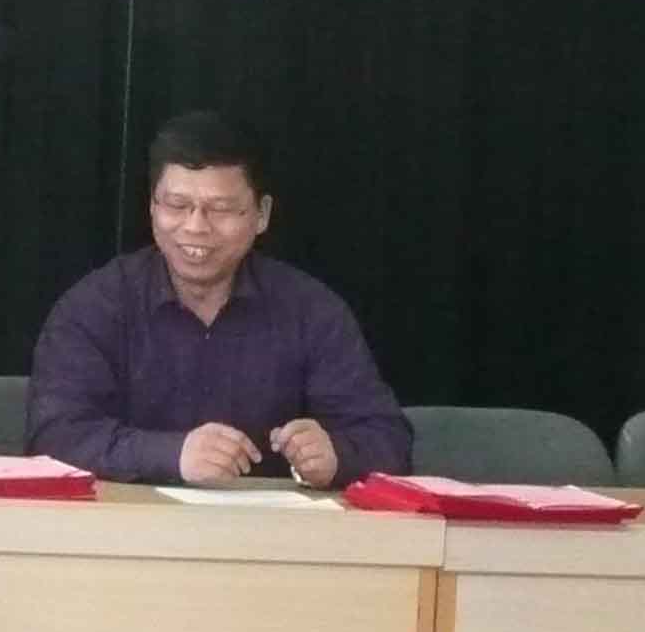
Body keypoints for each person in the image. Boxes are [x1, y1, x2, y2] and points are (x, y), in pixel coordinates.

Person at [28, 108, 410, 486]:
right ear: (152, 207)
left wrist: (337, 456)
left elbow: (388, 439)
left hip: (269, 524)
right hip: (128, 522)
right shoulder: (96, 305)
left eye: (221, 209)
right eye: (177, 206)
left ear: (262, 214)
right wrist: (171, 455)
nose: (195, 227)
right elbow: (54, 435)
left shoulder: (310, 310)